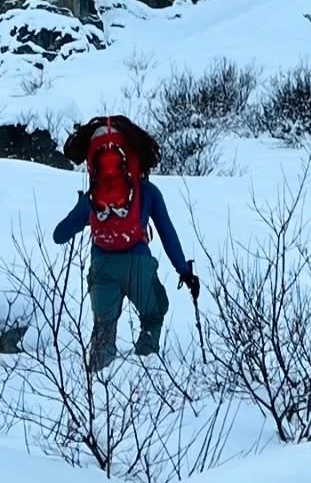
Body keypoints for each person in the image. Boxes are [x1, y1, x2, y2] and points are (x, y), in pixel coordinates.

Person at [53, 114, 200, 371]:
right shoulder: (148, 192)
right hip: (138, 264)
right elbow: (168, 234)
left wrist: (83, 209)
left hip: (102, 265)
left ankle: (94, 386)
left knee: (104, 328)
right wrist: (185, 272)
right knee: (154, 314)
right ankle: (146, 370)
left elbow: (59, 235)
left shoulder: (95, 197)